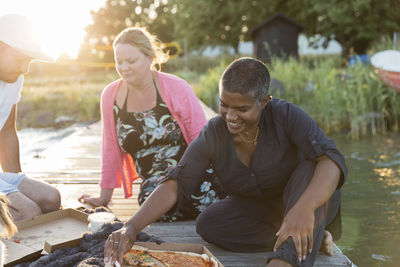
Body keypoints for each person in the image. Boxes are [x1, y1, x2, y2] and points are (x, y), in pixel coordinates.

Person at [104, 57, 347, 267]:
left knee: (310, 166)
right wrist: (132, 227)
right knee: (210, 224)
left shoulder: (287, 115)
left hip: (310, 201)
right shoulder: (215, 132)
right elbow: (178, 180)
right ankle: (311, 236)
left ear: (264, 102)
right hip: (266, 212)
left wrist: (303, 208)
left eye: (242, 109)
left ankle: (284, 257)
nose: (231, 117)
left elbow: (330, 160)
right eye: (224, 105)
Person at [79, 27, 224, 221]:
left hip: (190, 171)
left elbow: (202, 138)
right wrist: (104, 197)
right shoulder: (111, 96)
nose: (124, 68)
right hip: (155, 184)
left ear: (149, 58)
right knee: (151, 200)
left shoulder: (177, 87)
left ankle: (215, 205)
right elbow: (110, 148)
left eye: (131, 61)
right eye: (119, 62)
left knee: (207, 189)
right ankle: (210, 209)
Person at [0, 14, 61, 221]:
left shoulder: (14, 79)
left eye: (29, 60)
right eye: (20, 59)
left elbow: (6, 133)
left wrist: (15, 186)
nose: (25, 69)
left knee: (51, 199)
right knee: (28, 213)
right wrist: (19, 201)